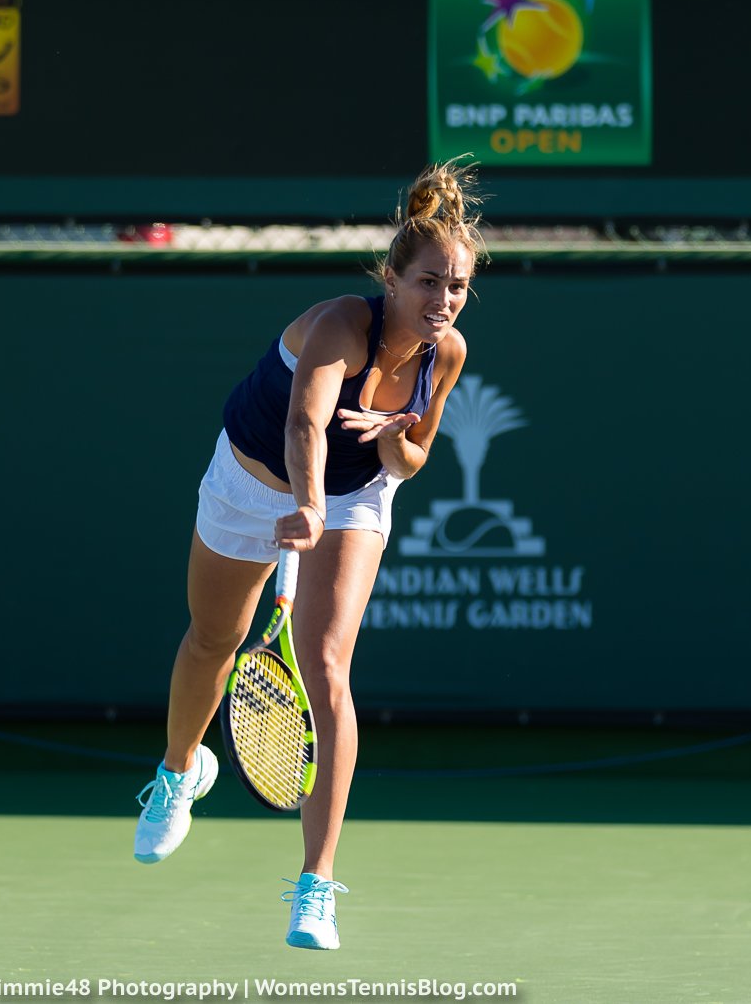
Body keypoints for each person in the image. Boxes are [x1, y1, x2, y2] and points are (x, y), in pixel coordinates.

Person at [132, 159, 482, 951]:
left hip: (355, 499)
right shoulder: (337, 324)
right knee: (213, 638)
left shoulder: (446, 353)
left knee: (326, 667)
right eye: (429, 283)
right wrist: (306, 505)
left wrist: (397, 445)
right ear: (391, 279)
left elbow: (413, 458)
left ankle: (315, 885)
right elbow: (303, 426)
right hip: (253, 482)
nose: (444, 301)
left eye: (457, 288)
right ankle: (179, 771)